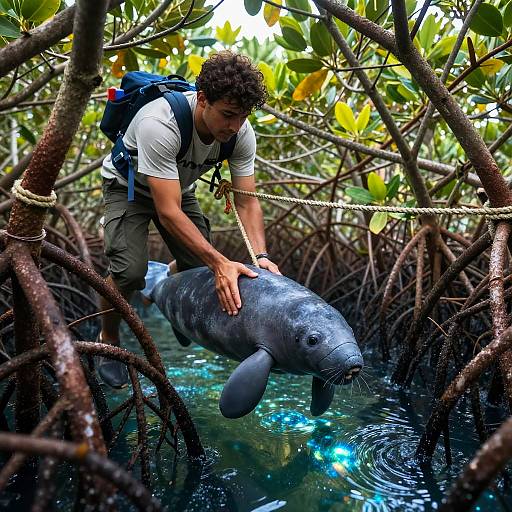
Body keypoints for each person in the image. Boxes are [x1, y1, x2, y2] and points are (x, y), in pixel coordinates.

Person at [98, 51, 281, 388]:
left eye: (241, 117)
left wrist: (261, 257)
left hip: (177, 188)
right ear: (202, 100)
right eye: (227, 115)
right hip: (128, 187)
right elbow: (167, 212)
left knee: (193, 264)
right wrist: (220, 262)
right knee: (128, 271)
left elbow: (246, 201)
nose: (234, 126)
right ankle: (108, 338)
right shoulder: (160, 123)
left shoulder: (241, 132)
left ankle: (162, 282)